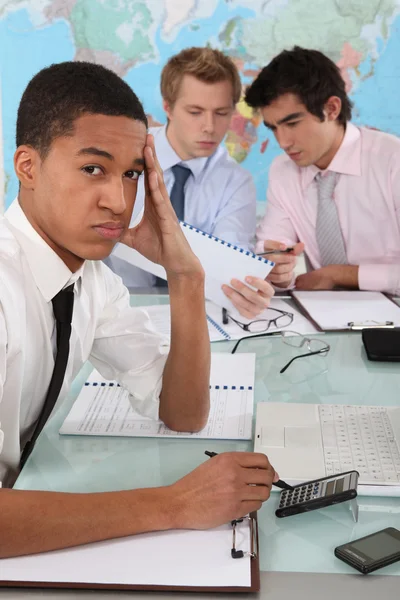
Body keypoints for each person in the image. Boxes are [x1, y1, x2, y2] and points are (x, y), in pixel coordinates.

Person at [0, 61, 278, 559]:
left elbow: (184, 413)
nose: (118, 199)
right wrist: (175, 504)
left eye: (131, 173)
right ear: (28, 167)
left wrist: (186, 276)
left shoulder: (93, 281)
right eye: (93, 168)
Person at [106, 47, 274, 319]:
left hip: (197, 315)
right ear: (168, 107)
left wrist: (245, 291)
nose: (209, 126)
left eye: (221, 113)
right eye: (195, 112)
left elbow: (228, 270)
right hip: (113, 308)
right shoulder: (123, 155)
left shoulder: (236, 182)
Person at [245, 46, 400, 295]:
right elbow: (273, 244)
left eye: (292, 123)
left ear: (332, 109)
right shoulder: (283, 171)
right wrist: (276, 268)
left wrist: (340, 275)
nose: (283, 142)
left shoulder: (393, 162)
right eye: (273, 128)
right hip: (321, 319)